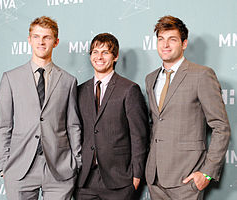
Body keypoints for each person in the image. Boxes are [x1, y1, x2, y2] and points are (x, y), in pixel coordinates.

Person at [0, 16, 82, 200]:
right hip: (19, 168)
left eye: (47, 37)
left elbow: (73, 125)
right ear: (29, 40)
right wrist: (4, 164)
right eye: (36, 36)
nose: (41, 42)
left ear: (56, 42)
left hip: (59, 168)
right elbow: (3, 125)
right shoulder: (11, 78)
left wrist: (76, 162)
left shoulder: (68, 80)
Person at [145, 15, 231, 199]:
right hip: (155, 178)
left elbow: (220, 126)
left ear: (184, 44)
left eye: (172, 39)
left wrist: (207, 173)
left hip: (187, 179)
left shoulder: (201, 75)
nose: (165, 45)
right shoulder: (150, 78)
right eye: (161, 39)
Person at [75, 33, 149, 200]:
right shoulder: (79, 91)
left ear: (115, 57)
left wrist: (137, 174)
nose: (99, 57)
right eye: (95, 52)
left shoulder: (129, 89)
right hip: (85, 180)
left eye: (105, 52)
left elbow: (139, 136)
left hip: (119, 180)